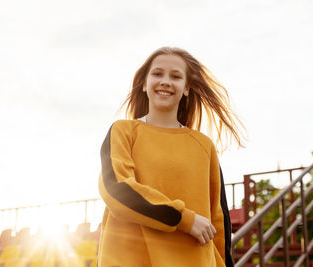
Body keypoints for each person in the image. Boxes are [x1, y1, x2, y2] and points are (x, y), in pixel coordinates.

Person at [98, 47, 245, 267]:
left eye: (175, 76)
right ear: (145, 84)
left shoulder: (203, 146)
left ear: (186, 88)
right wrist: (184, 219)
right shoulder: (123, 131)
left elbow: (218, 220)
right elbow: (117, 189)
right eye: (157, 74)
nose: (166, 81)